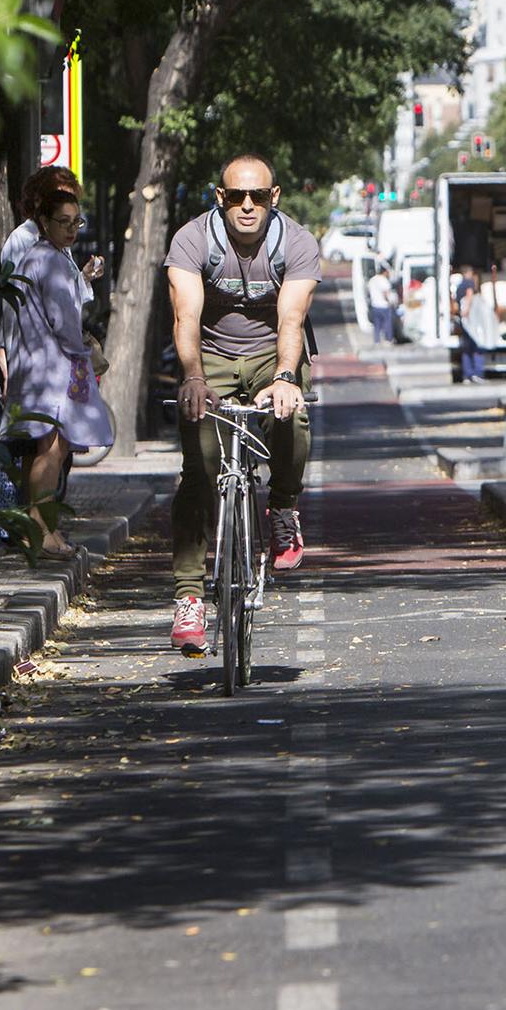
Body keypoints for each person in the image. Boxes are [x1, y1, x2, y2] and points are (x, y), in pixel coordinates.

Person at [164, 153, 321, 655]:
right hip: (209, 355)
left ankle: (283, 507)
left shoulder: (296, 243)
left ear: (274, 197)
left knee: (290, 414)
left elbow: (292, 318)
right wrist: (192, 378)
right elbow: (186, 316)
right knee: (199, 467)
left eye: (257, 196)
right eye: (236, 197)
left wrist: (283, 378)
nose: (247, 206)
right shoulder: (193, 239)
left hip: (271, 354)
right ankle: (189, 599)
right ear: (221, 198)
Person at [0, 189, 113, 559]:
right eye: (63, 221)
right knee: (52, 448)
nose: (71, 229)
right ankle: (41, 531)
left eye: (76, 221)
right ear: (44, 222)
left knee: (40, 448)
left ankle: (41, 530)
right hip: (53, 368)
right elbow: (64, 321)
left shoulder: (37, 258)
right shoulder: (50, 260)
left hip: (33, 365)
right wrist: (82, 351)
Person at [366, 262, 398, 344]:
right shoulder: (384, 280)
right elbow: (385, 293)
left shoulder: (372, 280)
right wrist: (390, 302)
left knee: (377, 324)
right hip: (384, 306)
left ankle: (377, 340)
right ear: (385, 272)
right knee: (387, 323)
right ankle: (388, 339)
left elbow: (368, 292)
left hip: (375, 305)